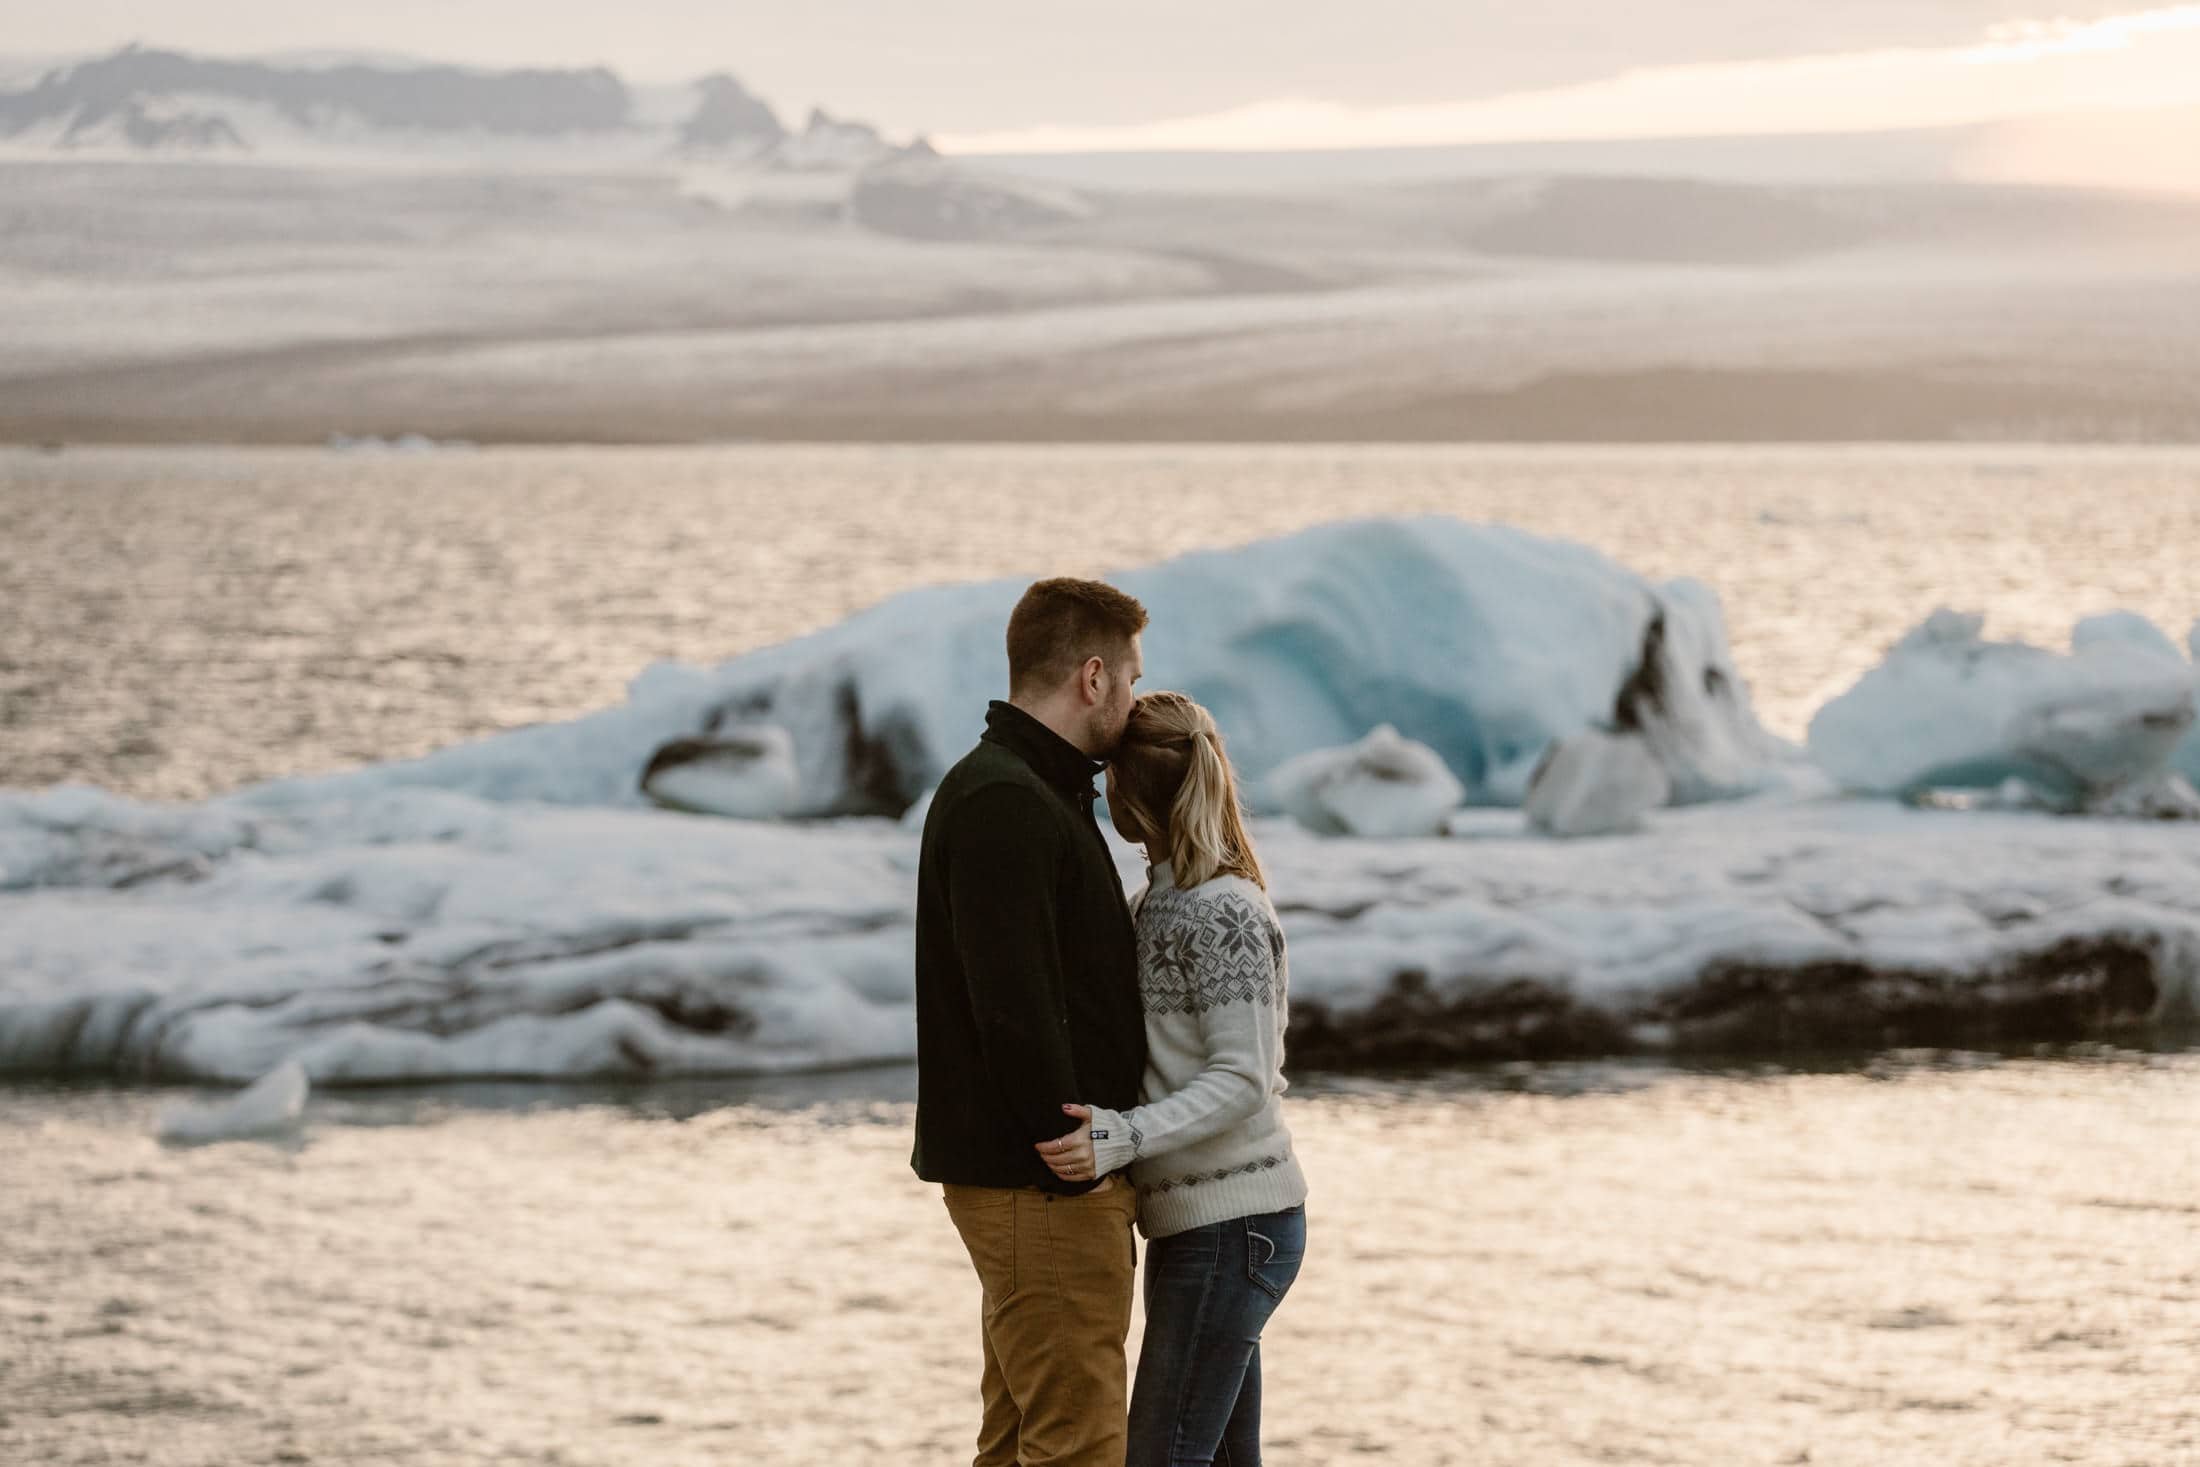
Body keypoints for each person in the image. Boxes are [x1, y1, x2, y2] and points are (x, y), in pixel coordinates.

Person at [911, 575, 1152, 1467]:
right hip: (1044, 1179)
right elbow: (1009, 1000)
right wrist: (1076, 1151)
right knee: (1079, 1443)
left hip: (1032, 1178)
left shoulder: (1025, 789)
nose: (1132, 700)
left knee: (1020, 1441)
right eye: (1128, 679)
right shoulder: (1008, 799)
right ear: (1092, 677)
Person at [1036, 690, 1309, 1467]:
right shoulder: (1156, 903)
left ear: (1123, 796)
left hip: (1236, 1226)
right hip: (1204, 1227)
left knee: (1162, 1455)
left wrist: (1124, 1135)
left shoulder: (1222, 910)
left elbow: (1244, 1076)